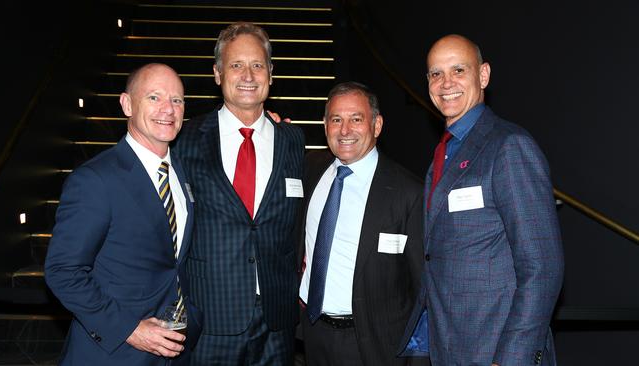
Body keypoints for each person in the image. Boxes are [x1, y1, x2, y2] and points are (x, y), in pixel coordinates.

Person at [400, 34, 564, 365]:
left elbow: (543, 268)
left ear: (483, 75)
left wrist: (511, 358)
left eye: (458, 70)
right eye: (435, 73)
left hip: (496, 351)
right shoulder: (443, 154)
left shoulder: (509, 147)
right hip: (450, 346)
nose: (446, 83)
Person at [44, 63, 202, 365]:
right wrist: (129, 329)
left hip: (175, 349)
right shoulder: (95, 179)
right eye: (154, 97)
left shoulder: (180, 173)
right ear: (126, 104)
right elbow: (63, 271)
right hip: (115, 353)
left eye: (177, 100)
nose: (167, 109)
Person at [172, 22, 304, 365]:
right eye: (236, 65)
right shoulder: (184, 140)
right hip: (211, 317)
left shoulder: (292, 141)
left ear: (271, 74)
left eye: (257, 65)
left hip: (277, 319)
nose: (248, 75)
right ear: (217, 73)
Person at [296, 81, 427, 366]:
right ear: (324, 124)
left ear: (376, 125)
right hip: (313, 334)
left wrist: (418, 359)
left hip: (374, 345)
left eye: (356, 119)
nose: (345, 131)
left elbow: (423, 290)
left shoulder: (408, 193)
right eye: (336, 120)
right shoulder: (311, 168)